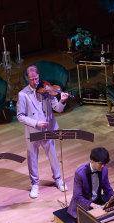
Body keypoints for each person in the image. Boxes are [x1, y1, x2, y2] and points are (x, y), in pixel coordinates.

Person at [17, 65, 69, 198]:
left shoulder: (47, 89)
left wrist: (62, 101)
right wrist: (36, 123)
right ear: (27, 78)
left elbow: (57, 109)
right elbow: (20, 116)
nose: (36, 82)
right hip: (33, 131)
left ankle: (58, 179)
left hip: (48, 129)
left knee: (53, 155)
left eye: (37, 78)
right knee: (32, 158)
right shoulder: (23, 94)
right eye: (32, 79)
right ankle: (35, 184)